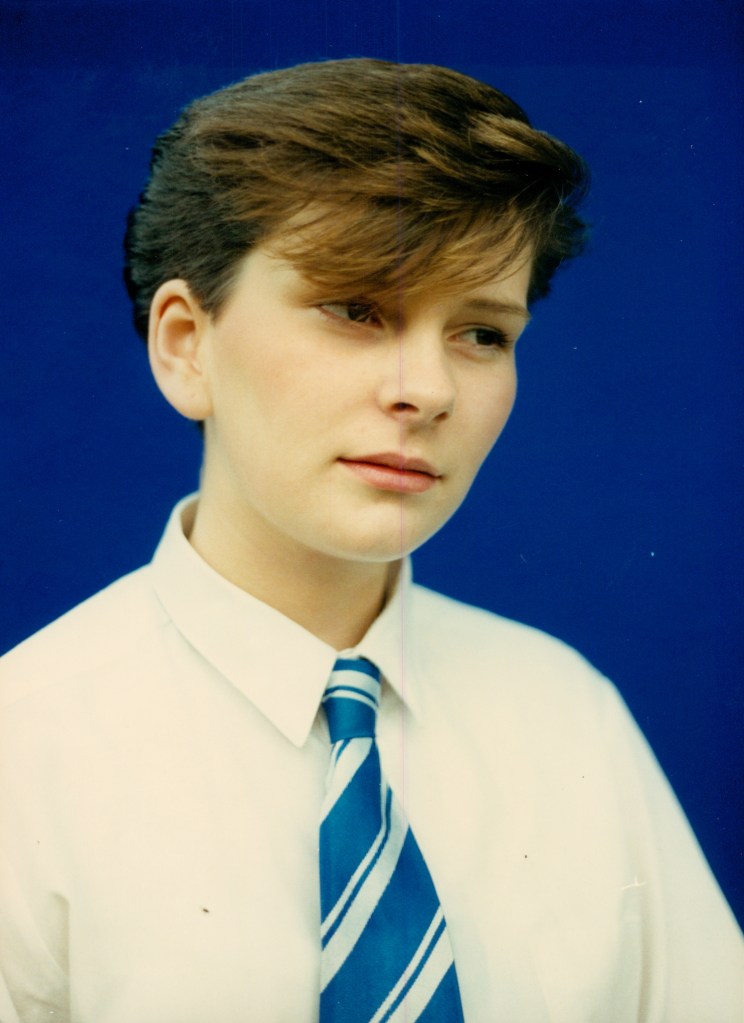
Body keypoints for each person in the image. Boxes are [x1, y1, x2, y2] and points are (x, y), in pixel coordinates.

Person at [0, 58, 740, 1023]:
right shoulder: (26, 750)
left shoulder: (568, 714)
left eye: (482, 333)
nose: (427, 390)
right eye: (357, 309)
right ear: (186, 343)